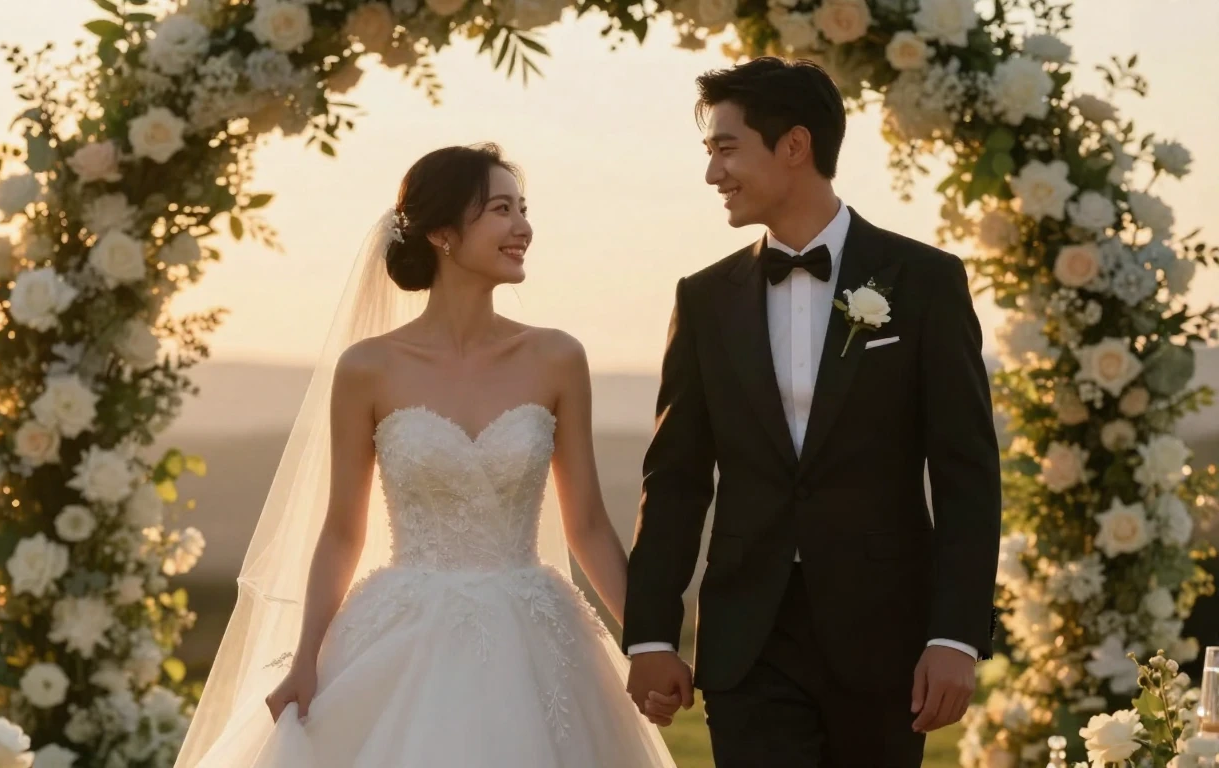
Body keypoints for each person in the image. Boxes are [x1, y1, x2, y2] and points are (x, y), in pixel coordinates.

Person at [175, 144, 677, 768]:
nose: (523, 227)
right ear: (442, 233)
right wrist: (306, 660)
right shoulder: (368, 368)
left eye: (523, 209)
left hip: (537, 635)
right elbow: (341, 530)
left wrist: (647, 644)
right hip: (401, 634)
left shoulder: (557, 358)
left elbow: (589, 526)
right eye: (501, 210)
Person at [622, 57, 1003, 768]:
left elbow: (966, 475)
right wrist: (650, 635)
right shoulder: (703, 300)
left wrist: (954, 636)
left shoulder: (925, 282)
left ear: (794, 146)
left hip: (885, 637)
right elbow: (674, 478)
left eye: (725, 149)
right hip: (748, 641)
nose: (713, 175)